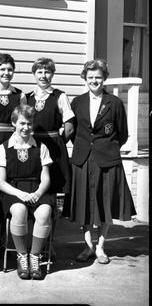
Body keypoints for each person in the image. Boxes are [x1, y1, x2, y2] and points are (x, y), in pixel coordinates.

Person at [70, 59, 136, 264]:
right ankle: (88, 246)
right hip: (83, 159)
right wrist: (86, 147)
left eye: (98, 77)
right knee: (85, 204)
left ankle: (100, 248)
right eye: (90, 77)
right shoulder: (77, 102)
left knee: (104, 203)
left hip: (107, 158)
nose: (94, 81)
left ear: (105, 78)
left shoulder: (114, 103)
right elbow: (75, 133)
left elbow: (122, 134)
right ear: (84, 78)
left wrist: (105, 147)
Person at [0, 105, 54, 280]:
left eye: (29, 123)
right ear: (14, 123)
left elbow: (46, 178)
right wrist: (19, 194)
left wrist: (38, 193)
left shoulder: (41, 147)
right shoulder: (4, 147)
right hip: (13, 190)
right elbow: (1, 182)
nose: (26, 127)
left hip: (36, 188)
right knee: (19, 210)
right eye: (22, 123)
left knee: (44, 212)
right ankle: (22, 256)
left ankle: (35, 256)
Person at [26, 57, 74, 204]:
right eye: (39, 72)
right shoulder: (27, 97)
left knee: (52, 185)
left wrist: (57, 140)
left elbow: (70, 127)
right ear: (34, 74)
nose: (43, 76)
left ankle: (52, 218)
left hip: (53, 145)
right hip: (33, 144)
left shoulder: (60, 96)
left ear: (52, 74)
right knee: (34, 182)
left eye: (47, 72)